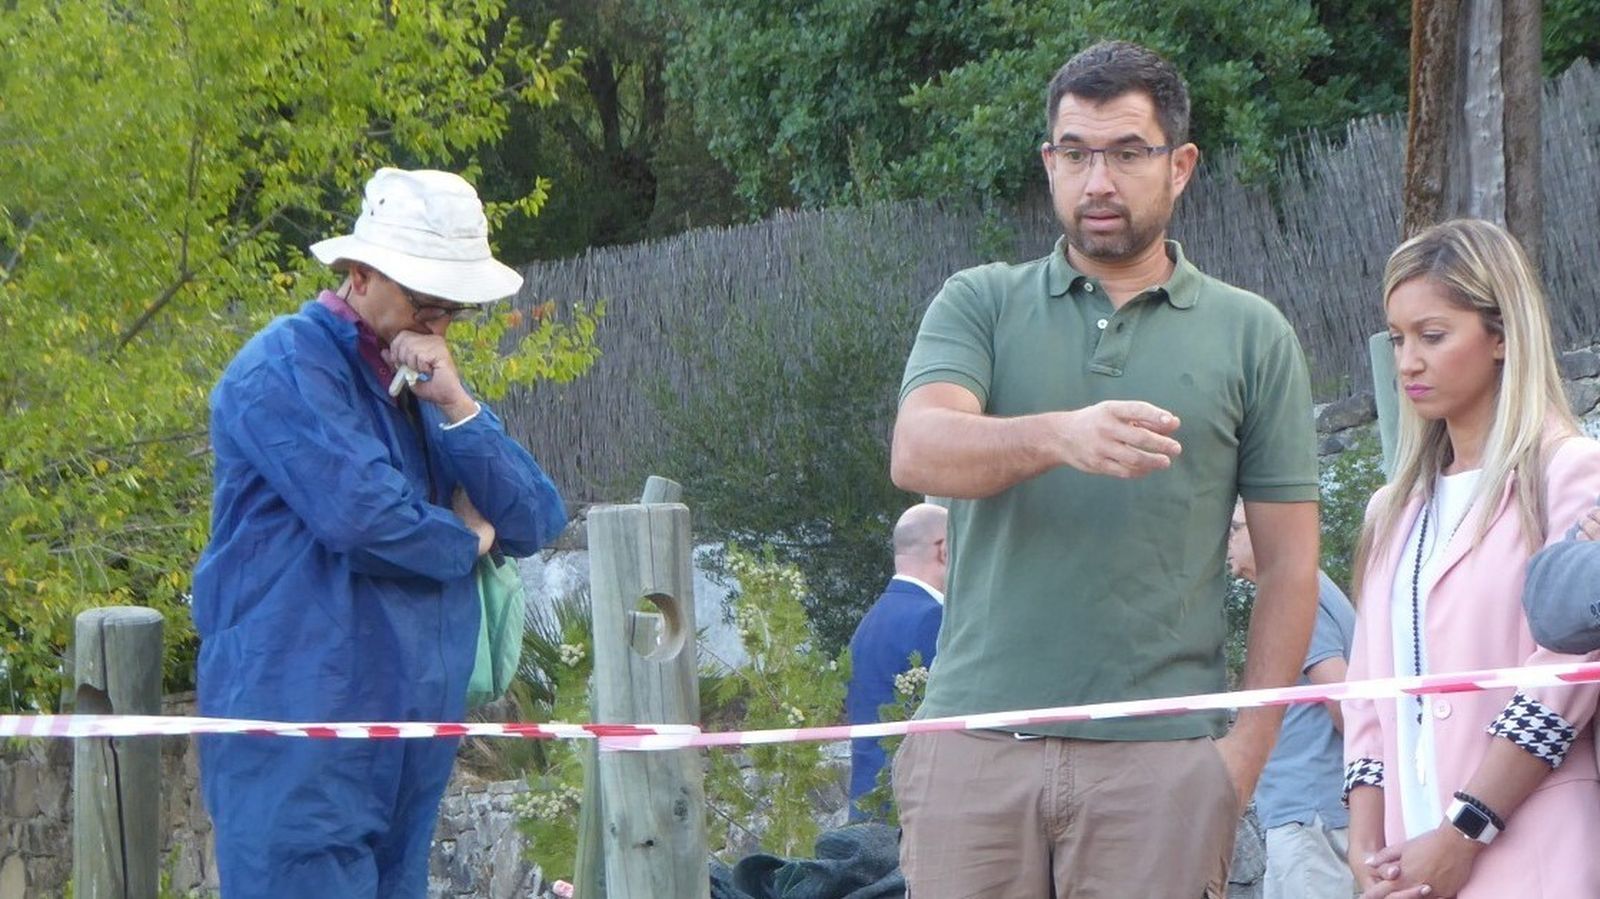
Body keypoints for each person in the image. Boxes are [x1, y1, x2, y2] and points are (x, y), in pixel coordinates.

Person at [889, 40, 1321, 897]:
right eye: (1076, 153)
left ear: (1181, 164)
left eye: (1127, 153)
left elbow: (1291, 566)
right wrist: (1058, 437)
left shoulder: (1251, 332)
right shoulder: (979, 300)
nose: (1098, 182)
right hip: (974, 748)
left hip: (1160, 763)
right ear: (1048, 161)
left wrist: (1241, 753)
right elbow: (918, 450)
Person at [192, 168, 567, 899]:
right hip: (301, 737)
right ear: (358, 274)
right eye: (425, 300)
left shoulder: (421, 384)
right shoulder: (280, 368)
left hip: (408, 740)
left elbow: (535, 516)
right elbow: (365, 517)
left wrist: (457, 404)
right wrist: (468, 541)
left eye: (452, 308)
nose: (438, 322)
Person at [1342, 218, 1600, 899]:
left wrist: (1465, 829)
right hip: (1407, 867)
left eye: (1432, 335)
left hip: (1536, 853)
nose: (1407, 362)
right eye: (1397, 338)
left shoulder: (1571, 472)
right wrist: (1364, 846)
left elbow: (1564, 682)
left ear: (1502, 337)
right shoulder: (1390, 512)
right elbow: (1368, 696)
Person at [1228, 501, 1359, 899]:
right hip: (1312, 812)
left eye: (1233, 529)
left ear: (1267, 529)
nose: (1225, 544)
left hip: (1311, 815)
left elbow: (1345, 705)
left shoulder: (1295, 597)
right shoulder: (1301, 589)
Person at [845, 502, 949, 821]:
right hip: (912, 804)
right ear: (944, 550)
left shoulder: (870, 621)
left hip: (868, 797)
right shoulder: (932, 619)